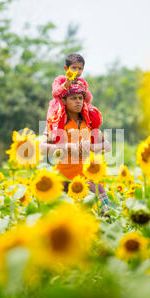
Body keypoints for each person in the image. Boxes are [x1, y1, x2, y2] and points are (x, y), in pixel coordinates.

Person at [39, 83, 112, 216]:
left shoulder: (88, 123)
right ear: (63, 101)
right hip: (64, 181)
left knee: (105, 215)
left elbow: (107, 146)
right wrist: (67, 148)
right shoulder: (55, 124)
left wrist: (90, 147)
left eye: (80, 98)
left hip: (87, 180)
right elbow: (41, 147)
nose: (78, 101)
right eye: (73, 98)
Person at [47, 53, 93, 133]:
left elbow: (88, 100)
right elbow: (54, 92)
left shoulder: (82, 82)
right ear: (66, 68)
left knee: (92, 112)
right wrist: (64, 86)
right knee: (55, 119)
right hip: (59, 108)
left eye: (80, 68)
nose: (77, 71)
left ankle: (90, 129)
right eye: (74, 68)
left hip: (76, 110)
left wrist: (85, 89)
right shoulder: (60, 80)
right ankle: (51, 132)